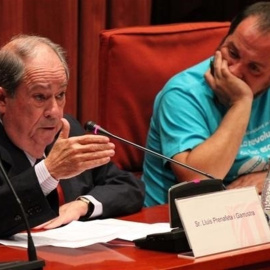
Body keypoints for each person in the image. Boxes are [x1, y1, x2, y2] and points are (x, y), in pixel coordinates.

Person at [0, 34, 145, 237]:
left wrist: (82, 205)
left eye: (60, 95)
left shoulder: (68, 130)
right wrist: (48, 172)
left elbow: (129, 186)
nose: (55, 111)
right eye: (40, 97)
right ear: (3, 99)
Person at [142, 1, 270, 206]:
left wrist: (267, 181)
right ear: (224, 38)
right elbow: (200, 181)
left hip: (252, 219)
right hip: (180, 226)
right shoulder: (182, 93)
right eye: (233, 52)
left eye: (254, 68)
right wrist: (241, 102)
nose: (234, 71)